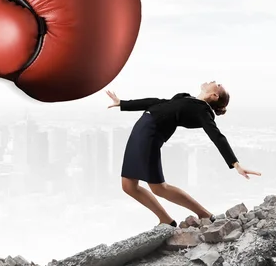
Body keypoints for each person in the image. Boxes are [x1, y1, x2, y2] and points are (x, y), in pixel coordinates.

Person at [106, 81, 261, 227]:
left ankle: (203, 214)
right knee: (128, 186)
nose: (213, 80)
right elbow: (157, 102)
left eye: (218, 84)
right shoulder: (185, 97)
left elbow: (216, 136)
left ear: (214, 95)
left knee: (159, 188)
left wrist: (235, 163)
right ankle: (166, 220)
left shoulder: (202, 111)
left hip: (150, 134)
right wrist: (123, 103)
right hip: (140, 131)